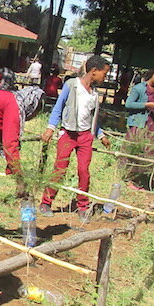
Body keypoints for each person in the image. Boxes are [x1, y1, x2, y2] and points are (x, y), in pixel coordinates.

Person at [39, 55, 112, 224]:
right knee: (60, 168)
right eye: (104, 73)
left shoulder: (94, 94)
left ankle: (83, 206)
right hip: (68, 134)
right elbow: (59, 107)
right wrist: (51, 127)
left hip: (85, 136)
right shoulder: (71, 85)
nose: (105, 77)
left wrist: (101, 135)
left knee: (83, 171)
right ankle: (46, 201)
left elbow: (93, 118)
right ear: (94, 71)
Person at [124, 66, 154, 188]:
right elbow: (129, 104)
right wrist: (146, 104)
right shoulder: (139, 88)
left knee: (148, 153)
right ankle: (129, 180)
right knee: (134, 152)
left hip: (150, 126)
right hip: (138, 125)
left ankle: (142, 179)